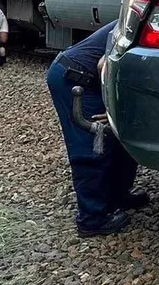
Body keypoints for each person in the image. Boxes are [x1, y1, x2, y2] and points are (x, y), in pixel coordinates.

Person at [45, 20, 147, 237]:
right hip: (74, 78)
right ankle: (92, 219)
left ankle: (117, 197)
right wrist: (113, 110)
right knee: (92, 146)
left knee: (120, 139)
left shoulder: (147, 16)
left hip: (92, 78)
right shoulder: (139, 21)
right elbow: (104, 65)